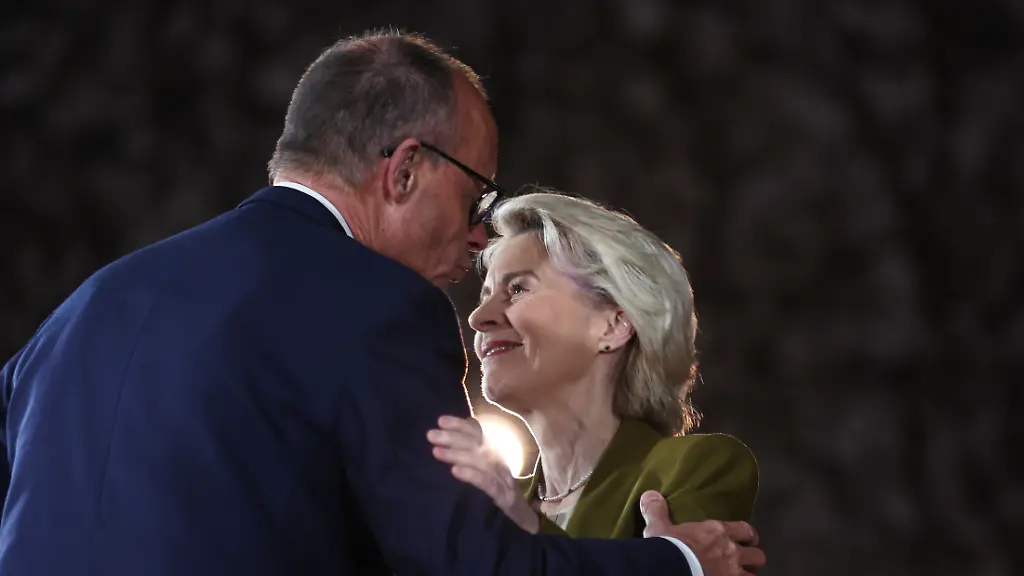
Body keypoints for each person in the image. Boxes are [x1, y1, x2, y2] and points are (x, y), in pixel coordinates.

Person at [0, 31, 765, 575]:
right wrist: (678, 564)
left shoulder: (83, 311)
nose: (476, 235)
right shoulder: (375, 306)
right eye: (476, 196)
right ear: (404, 172)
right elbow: (464, 564)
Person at [428, 191, 758, 541]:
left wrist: (524, 523)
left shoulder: (695, 468)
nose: (478, 317)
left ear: (612, 326)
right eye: (485, 297)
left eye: (518, 289)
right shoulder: (491, 505)